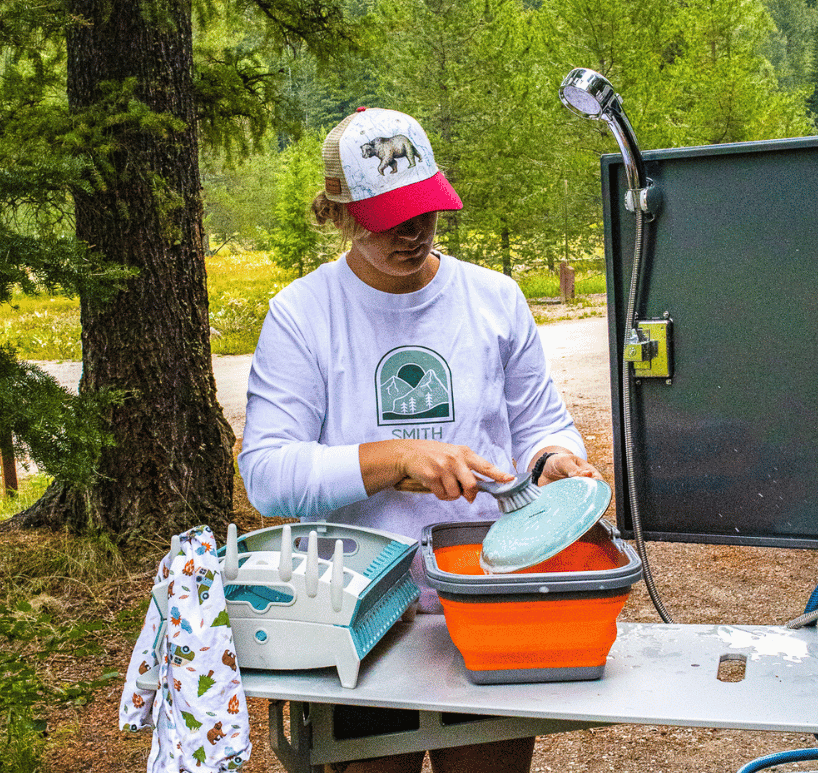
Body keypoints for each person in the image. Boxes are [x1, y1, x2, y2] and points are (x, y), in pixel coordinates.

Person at [238, 106, 600, 773]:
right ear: (339, 212)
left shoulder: (494, 299)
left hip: (489, 600)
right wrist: (395, 457)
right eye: (387, 217)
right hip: (358, 614)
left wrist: (552, 460)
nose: (412, 231)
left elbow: (537, 422)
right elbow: (266, 473)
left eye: (425, 209)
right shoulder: (303, 314)